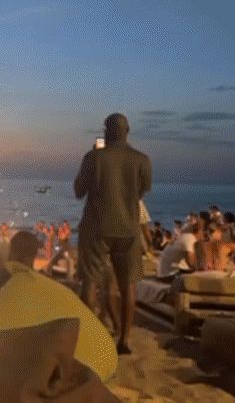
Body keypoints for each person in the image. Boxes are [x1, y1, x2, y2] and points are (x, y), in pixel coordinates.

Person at [75, 113, 151, 355]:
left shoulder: (94, 157)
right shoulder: (142, 159)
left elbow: (78, 190)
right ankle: (125, 340)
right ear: (127, 131)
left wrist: (92, 160)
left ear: (106, 132)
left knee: (90, 282)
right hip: (128, 228)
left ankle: (88, 335)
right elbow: (142, 191)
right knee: (127, 285)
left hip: (97, 227)